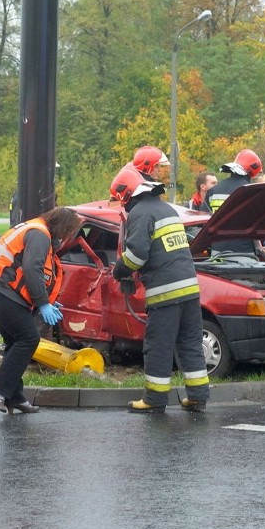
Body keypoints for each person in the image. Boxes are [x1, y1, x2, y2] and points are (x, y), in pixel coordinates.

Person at [109, 165, 209, 413]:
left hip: (165, 293)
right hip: (189, 289)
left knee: (158, 346)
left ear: (126, 194)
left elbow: (136, 256)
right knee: (190, 343)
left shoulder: (141, 213)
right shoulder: (167, 209)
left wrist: (119, 270)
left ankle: (154, 399)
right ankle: (198, 396)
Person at [0, 206, 82, 414]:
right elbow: (32, 269)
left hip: (3, 292)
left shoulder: (35, 229)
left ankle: (14, 397)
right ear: (62, 227)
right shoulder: (40, 235)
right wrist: (43, 303)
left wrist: (47, 301)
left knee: (15, 343)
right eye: (69, 232)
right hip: (7, 293)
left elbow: (30, 269)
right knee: (28, 339)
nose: (67, 237)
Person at [201, 148, 263, 254]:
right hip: (244, 252)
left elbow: (203, 220)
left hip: (217, 250)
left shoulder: (213, 191)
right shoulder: (252, 191)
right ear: (252, 171)